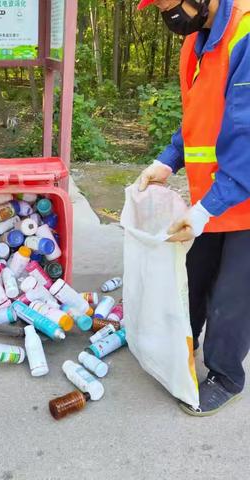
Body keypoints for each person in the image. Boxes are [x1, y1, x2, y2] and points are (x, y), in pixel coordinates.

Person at [138, 0, 250, 415]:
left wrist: (205, 210)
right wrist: (166, 160)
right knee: (193, 276)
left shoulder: (245, 35)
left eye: (172, 4)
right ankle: (185, 344)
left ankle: (226, 375)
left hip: (240, 194)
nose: (170, 16)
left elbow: (247, 137)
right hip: (215, 196)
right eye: (161, 8)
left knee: (232, 296)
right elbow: (197, 118)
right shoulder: (196, 43)